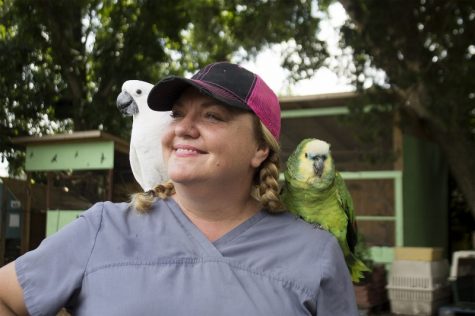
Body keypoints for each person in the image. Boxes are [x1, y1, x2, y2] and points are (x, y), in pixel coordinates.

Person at [0, 62, 358, 315]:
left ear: (260, 149)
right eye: (176, 114)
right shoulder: (102, 229)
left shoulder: (316, 255)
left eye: (212, 115)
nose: (181, 128)